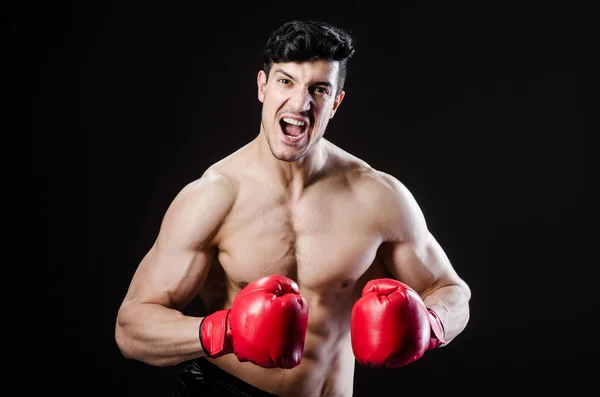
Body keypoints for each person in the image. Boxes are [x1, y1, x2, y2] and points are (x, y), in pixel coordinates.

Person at [115, 19, 471, 397]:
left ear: (335, 103)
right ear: (262, 87)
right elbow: (131, 328)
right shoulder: (214, 197)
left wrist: (432, 324)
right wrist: (226, 331)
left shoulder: (378, 197)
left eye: (318, 89)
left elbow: (452, 291)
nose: (300, 103)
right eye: (285, 81)